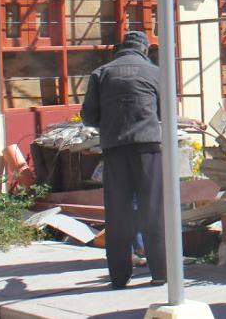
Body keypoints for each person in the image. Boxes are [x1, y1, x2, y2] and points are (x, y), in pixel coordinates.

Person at [80, 30, 167, 289]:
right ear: (144, 49)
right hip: (148, 149)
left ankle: (119, 277)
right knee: (153, 210)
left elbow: (89, 117)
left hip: (115, 150)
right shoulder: (155, 72)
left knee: (118, 214)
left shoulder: (101, 73)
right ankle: (161, 272)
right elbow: (165, 112)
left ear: (120, 48)